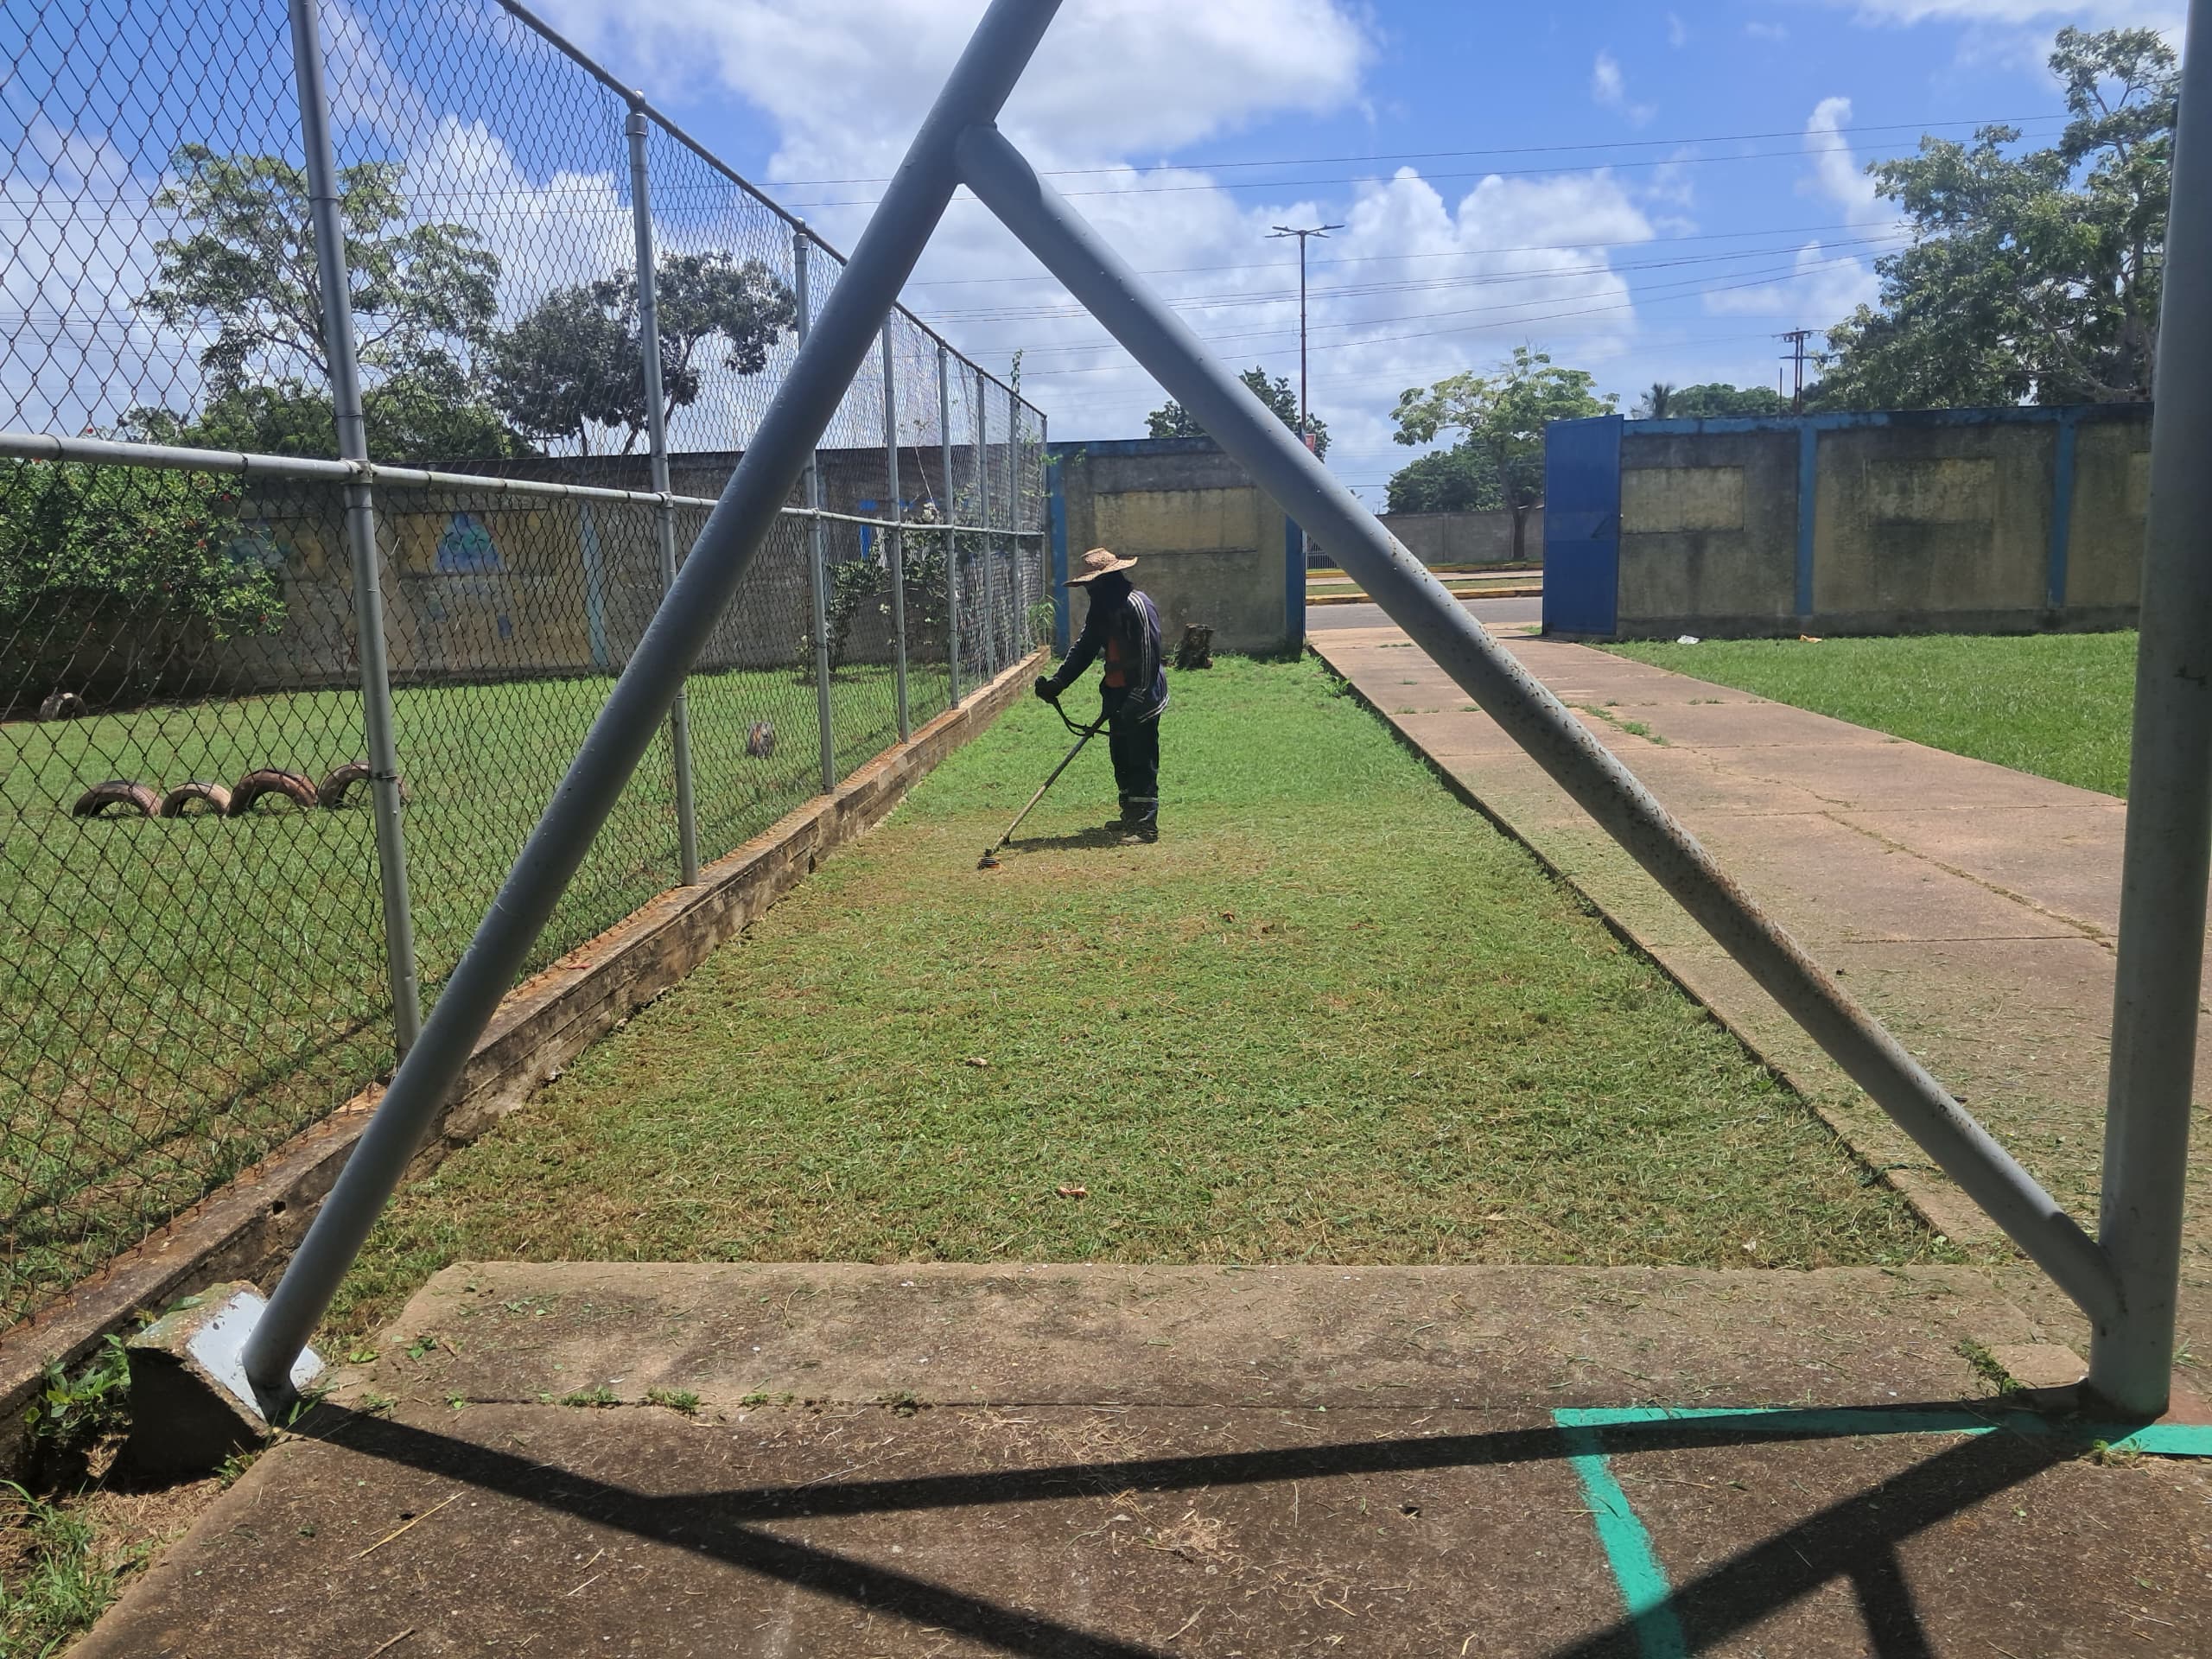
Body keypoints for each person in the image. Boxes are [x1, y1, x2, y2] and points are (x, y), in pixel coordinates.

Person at [1036, 546, 1167, 842]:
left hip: (1142, 695)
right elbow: (1085, 649)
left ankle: (1146, 826)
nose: (1090, 592)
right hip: (1116, 694)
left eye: (1094, 585)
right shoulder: (1102, 610)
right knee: (1121, 757)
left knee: (1141, 758)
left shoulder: (1137, 605)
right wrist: (1058, 683)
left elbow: (1150, 653)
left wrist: (1138, 697)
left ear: (1109, 580)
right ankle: (1130, 816)